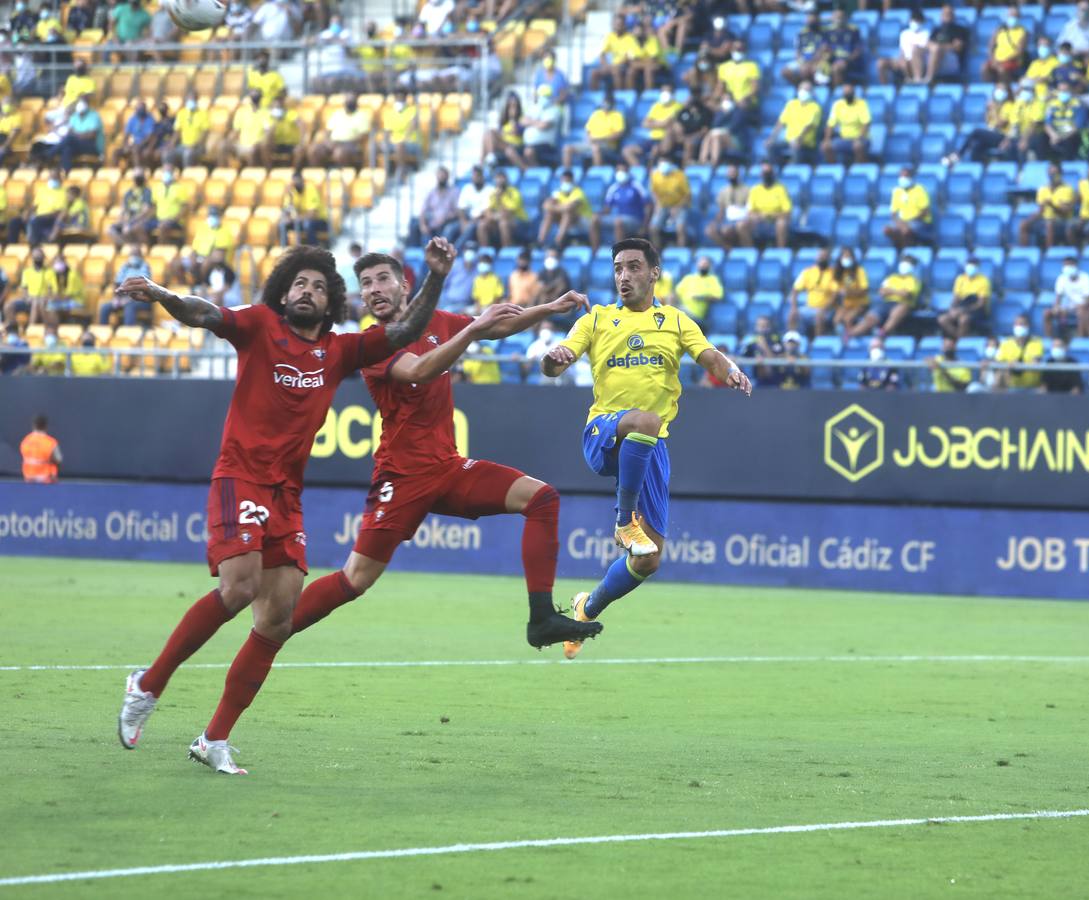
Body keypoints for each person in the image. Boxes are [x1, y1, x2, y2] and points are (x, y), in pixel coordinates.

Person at [114, 241, 444, 774]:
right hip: (240, 476)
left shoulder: (338, 352)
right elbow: (203, 312)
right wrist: (158, 293)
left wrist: (436, 276)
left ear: (331, 298)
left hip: (286, 496)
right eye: (299, 284)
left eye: (317, 285)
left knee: (277, 619)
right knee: (239, 588)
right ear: (283, 292)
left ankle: (213, 739)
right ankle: (148, 684)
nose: (307, 291)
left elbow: (404, 334)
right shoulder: (258, 326)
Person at [287, 249, 600, 653]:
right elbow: (420, 369)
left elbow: (497, 327)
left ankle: (541, 619)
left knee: (541, 498)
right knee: (355, 579)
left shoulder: (438, 322)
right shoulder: (370, 343)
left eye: (382, 279)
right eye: (366, 284)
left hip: (448, 469)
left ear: (404, 285)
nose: (374, 289)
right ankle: (276, 628)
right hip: (402, 478)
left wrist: (550, 307)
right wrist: (471, 331)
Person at [541, 238, 751, 659]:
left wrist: (729, 370)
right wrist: (555, 357)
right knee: (646, 419)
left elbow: (707, 355)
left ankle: (587, 607)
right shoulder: (596, 319)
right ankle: (623, 522)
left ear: (654, 273)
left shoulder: (674, 320)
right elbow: (555, 364)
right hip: (604, 433)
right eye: (618, 268)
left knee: (649, 559)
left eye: (634, 267)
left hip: (649, 448)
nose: (624, 276)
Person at [857, 255, 922, 337]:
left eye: (907, 264)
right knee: (870, 318)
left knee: (899, 310)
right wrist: (898, 292)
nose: (904, 266)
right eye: (903, 263)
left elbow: (906, 295)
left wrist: (890, 291)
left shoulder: (914, 280)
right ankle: (851, 334)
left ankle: (882, 334)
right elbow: (882, 292)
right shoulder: (891, 278)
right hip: (886, 303)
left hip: (903, 304)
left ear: (912, 267)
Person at [1018, 162, 1075, 248]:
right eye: (1050, 173)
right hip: (1045, 219)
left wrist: (1052, 205)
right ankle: (1025, 252)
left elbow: (1065, 212)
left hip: (1062, 221)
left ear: (1060, 174)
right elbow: (1041, 211)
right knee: (1024, 224)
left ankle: (1049, 254)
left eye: (1055, 173)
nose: (1052, 175)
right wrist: (1030, 220)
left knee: (1049, 224)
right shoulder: (1042, 189)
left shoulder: (1067, 189)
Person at [765, 81, 823, 165]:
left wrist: (798, 139)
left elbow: (810, 126)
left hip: (805, 143)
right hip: (788, 141)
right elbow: (781, 122)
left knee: (796, 149)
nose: (804, 92)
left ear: (811, 92)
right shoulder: (791, 104)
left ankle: (793, 169)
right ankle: (775, 169)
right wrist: (772, 138)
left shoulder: (815, 107)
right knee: (772, 146)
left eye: (807, 90)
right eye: (802, 89)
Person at [1043, 254, 1089, 339]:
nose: (1067, 268)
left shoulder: (1086, 278)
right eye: (1065, 265)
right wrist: (1057, 308)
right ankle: (1049, 339)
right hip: (1068, 308)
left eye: (1069, 265)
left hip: (1084, 307)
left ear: (1076, 266)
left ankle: (1080, 339)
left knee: (1081, 312)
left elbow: (1088, 301)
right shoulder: (1061, 279)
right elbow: (1058, 299)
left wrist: (1074, 308)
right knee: (1047, 313)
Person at [788, 249, 839, 336]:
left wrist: (824, 309)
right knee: (792, 315)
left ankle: (818, 343)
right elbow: (795, 290)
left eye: (824, 257)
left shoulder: (834, 273)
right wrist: (794, 307)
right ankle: (792, 340)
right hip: (809, 308)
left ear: (829, 259)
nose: (822, 259)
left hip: (828, 309)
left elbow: (835, 295)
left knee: (819, 316)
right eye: (820, 256)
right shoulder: (807, 272)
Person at [938, 258, 991, 339]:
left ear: (978, 268)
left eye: (973, 266)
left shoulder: (984, 281)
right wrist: (952, 309)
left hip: (976, 310)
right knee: (942, 319)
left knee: (963, 320)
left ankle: (960, 341)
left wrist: (963, 310)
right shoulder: (960, 279)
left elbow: (981, 303)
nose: (970, 269)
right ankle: (958, 337)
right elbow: (956, 298)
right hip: (961, 306)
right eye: (969, 266)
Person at [884, 166, 933, 250]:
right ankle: (902, 248)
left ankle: (907, 249)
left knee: (906, 231)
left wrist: (908, 222)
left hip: (919, 221)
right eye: (901, 176)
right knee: (887, 230)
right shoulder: (897, 191)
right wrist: (899, 223)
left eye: (905, 176)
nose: (903, 179)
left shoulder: (920, 190)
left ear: (911, 178)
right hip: (902, 221)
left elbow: (925, 212)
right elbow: (893, 213)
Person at [878, 10, 930, 86]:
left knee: (910, 57)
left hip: (917, 61)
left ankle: (916, 80)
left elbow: (923, 51)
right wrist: (900, 59)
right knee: (881, 63)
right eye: (914, 20)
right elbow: (902, 50)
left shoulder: (926, 33)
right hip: (903, 60)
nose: (915, 22)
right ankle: (884, 88)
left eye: (918, 20)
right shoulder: (904, 34)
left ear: (922, 22)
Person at [648, 157, 691, 249]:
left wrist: (677, 207)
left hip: (679, 205)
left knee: (680, 229)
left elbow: (688, 196)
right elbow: (653, 191)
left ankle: (681, 251)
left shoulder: (680, 175)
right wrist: (657, 204)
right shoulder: (655, 175)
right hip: (663, 206)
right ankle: (657, 253)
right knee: (653, 228)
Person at [822, 84, 870, 165]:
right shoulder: (837, 105)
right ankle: (835, 169)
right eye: (846, 93)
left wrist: (859, 138)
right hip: (843, 139)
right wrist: (827, 139)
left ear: (854, 93)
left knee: (858, 146)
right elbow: (830, 124)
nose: (848, 94)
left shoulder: (861, 104)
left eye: (849, 92)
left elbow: (866, 123)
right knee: (825, 146)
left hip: (861, 138)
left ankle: (859, 168)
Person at [994, 314, 1044, 391]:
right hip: (1012, 387)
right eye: (1017, 324)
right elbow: (998, 362)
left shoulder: (1036, 342)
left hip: (1032, 388)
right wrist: (1009, 364)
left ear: (1028, 326)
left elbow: (1036, 362)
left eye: (1022, 324)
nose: (1019, 326)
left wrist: (1019, 365)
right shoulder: (1005, 343)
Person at [673, 255, 723, 329]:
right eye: (701, 264)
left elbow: (718, 297)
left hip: (695, 315)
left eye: (705, 264)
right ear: (697, 265)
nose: (703, 266)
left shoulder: (713, 280)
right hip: (681, 309)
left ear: (710, 266)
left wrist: (701, 297)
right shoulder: (688, 278)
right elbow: (676, 293)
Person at [981, 5, 1028, 84]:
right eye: (1011, 15)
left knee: (1002, 69)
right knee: (984, 67)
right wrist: (993, 59)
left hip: (1012, 60)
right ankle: (989, 88)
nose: (1012, 18)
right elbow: (991, 46)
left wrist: (1002, 61)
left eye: (1015, 16)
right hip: (996, 59)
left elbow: (1020, 51)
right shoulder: (999, 29)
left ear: (1019, 17)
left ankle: (1005, 88)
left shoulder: (1023, 32)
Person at [20, 414, 61, 483]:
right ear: (45, 426)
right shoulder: (51, 442)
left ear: (34, 425)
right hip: (46, 478)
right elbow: (58, 460)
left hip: (28, 477)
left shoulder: (26, 441)